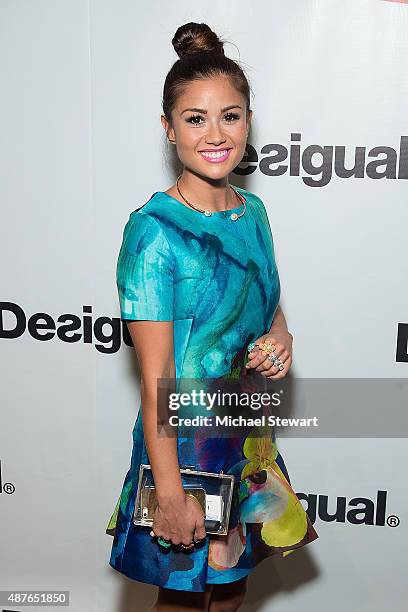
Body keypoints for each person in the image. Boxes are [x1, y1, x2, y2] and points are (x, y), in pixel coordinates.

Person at [106, 21, 318, 612]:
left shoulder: (253, 212)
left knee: (232, 591)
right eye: (195, 119)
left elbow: (266, 307)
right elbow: (156, 382)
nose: (216, 134)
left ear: (249, 121)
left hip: (245, 436)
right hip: (185, 447)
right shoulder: (154, 234)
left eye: (231, 115)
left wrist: (280, 338)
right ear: (169, 127)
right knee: (182, 598)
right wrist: (169, 489)